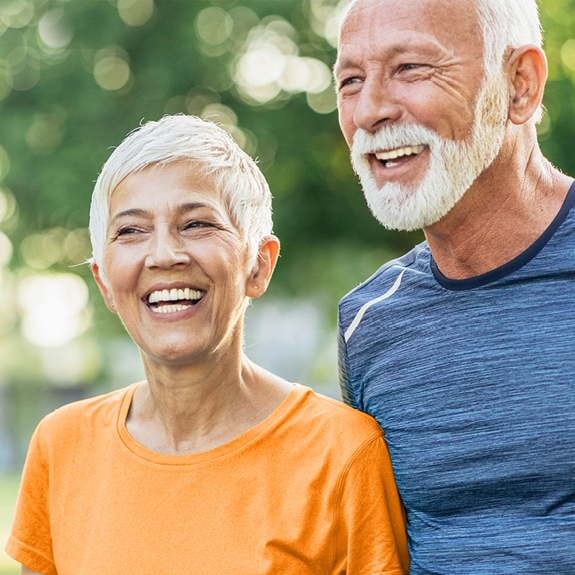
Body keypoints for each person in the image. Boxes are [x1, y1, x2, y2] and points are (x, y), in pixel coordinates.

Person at [6, 115, 409, 575]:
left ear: (259, 265)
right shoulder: (61, 447)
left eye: (196, 223)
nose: (163, 255)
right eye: (131, 230)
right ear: (103, 281)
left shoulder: (342, 455)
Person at [334, 0, 575, 573]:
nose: (369, 110)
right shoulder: (368, 323)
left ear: (520, 85)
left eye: (411, 68)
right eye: (349, 80)